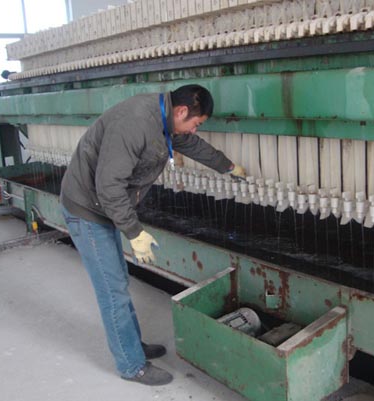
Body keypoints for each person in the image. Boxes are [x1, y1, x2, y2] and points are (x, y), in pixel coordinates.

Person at [59, 84, 246, 386]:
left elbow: (190, 143)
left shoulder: (164, 119)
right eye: (196, 123)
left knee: (118, 281)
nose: (195, 129)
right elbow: (109, 187)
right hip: (87, 210)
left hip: (103, 207)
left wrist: (227, 166)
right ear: (181, 111)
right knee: (113, 290)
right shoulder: (134, 124)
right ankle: (131, 365)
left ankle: (131, 344)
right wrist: (134, 232)